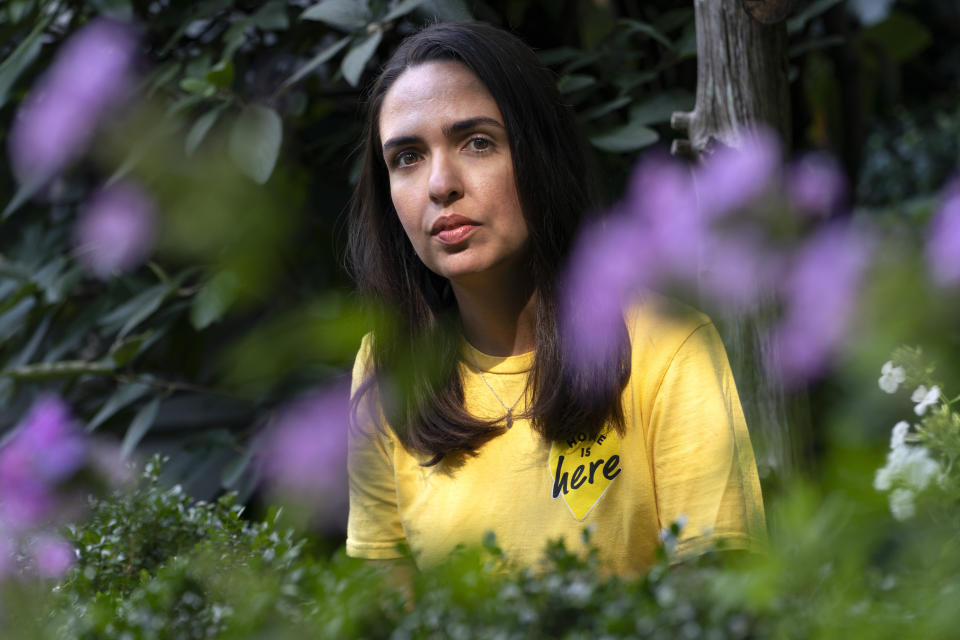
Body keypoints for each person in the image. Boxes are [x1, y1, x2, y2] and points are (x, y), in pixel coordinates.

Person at [345, 21, 766, 575]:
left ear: (540, 154)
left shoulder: (664, 347)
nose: (439, 184)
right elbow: (387, 611)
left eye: (477, 142)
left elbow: (718, 603)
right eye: (407, 157)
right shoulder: (391, 365)